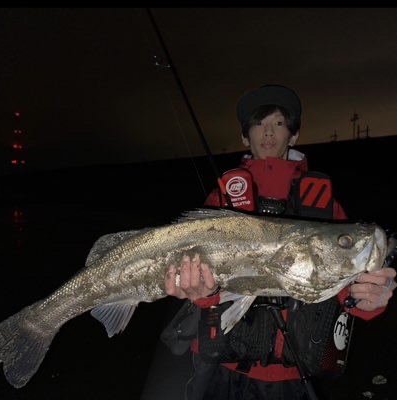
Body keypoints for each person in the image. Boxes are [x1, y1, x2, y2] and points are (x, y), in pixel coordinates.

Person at [163, 84, 396, 400]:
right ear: (245, 137)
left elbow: (347, 290)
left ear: (294, 135)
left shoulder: (325, 209)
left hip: (292, 373)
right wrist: (202, 294)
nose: (269, 132)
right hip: (221, 370)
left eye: (279, 123)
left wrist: (369, 300)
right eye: (258, 123)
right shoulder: (222, 201)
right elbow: (197, 284)